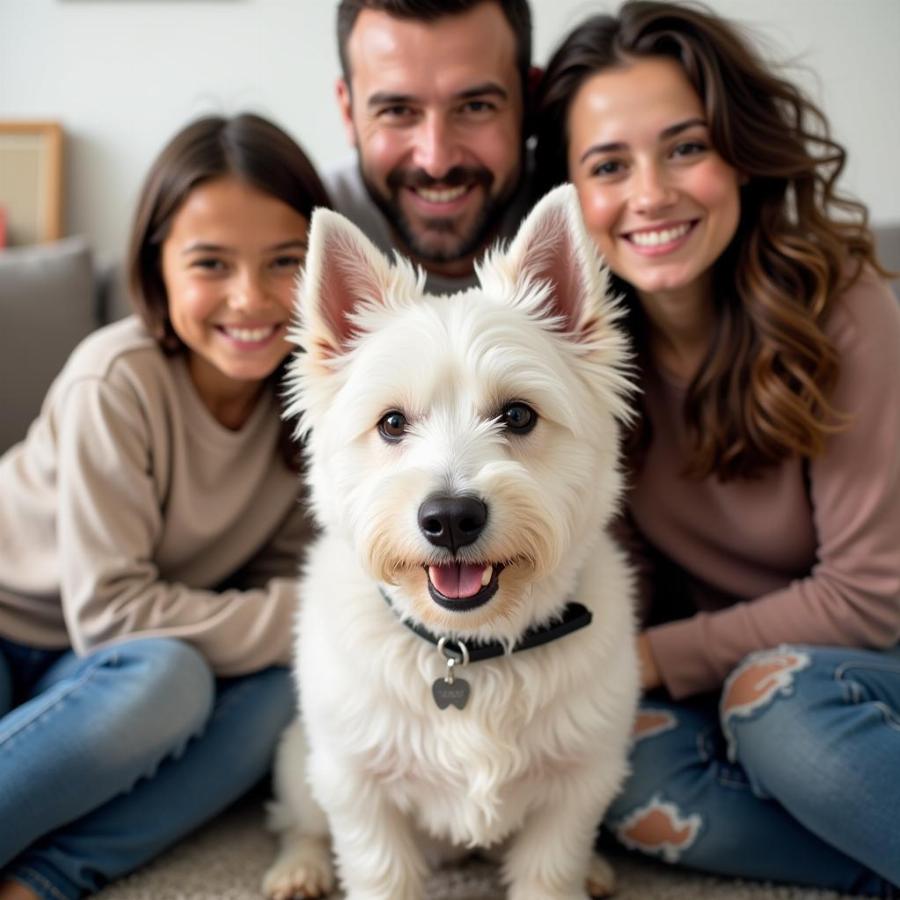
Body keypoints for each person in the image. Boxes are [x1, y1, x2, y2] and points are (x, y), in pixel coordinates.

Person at [536, 1, 900, 895]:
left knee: (776, 708)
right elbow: (614, 571)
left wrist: (652, 658)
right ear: (572, 195)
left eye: (686, 147)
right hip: (724, 684)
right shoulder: (576, 354)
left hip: (859, 678)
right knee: (608, 778)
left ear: (740, 153)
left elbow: (874, 598)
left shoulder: (844, 307)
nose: (651, 193)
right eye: (609, 165)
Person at [0, 113, 330, 900]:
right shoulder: (115, 379)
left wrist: (303, 617)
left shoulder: (311, 397)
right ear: (156, 266)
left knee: (285, 687)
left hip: (111, 658)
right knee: (172, 675)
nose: (250, 299)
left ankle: (44, 879)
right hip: (15, 621)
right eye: (211, 263)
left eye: (285, 262)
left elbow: (287, 572)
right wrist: (314, 612)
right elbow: (109, 614)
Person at [326, 0, 537, 293]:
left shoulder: (597, 214)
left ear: (530, 101)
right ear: (348, 112)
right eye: (397, 111)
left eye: (475, 107)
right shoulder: (293, 225)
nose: (436, 160)